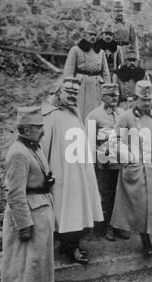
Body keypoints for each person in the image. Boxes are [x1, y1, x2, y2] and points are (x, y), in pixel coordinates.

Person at [110, 80, 152, 258]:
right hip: (138, 168)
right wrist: (128, 157)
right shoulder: (126, 117)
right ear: (136, 99)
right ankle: (146, 242)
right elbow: (114, 141)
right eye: (143, 100)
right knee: (142, 209)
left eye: (149, 100)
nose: (146, 103)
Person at [41, 77, 104, 264]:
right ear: (58, 92)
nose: (72, 96)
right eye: (69, 91)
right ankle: (69, 247)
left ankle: (72, 244)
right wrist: (46, 173)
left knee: (79, 210)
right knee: (66, 211)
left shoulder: (74, 114)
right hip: (62, 173)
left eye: (75, 92)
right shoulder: (50, 115)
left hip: (80, 172)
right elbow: (44, 148)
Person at [1, 106, 55, 282]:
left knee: (38, 267)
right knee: (24, 267)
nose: (43, 132)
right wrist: (24, 225)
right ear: (27, 129)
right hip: (29, 218)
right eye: (39, 127)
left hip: (40, 211)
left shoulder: (33, 147)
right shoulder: (18, 153)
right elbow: (15, 193)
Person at [85, 83, 129, 241]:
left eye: (116, 95)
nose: (115, 98)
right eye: (111, 95)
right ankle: (107, 226)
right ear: (103, 97)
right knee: (107, 193)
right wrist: (94, 160)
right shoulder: (94, 115)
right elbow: (90, 141)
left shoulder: (123, 113)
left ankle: (119, 225)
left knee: (121, 192)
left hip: (121, 158)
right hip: (104, 159)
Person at [63, 23, 110, 119]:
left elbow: (105, 73)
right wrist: (69, 90)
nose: (92, 37)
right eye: (90, 34)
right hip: (81, 85)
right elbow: (68, 72)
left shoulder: (101, 52)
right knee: (80, 111)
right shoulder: (75, 50)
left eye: (94, 35)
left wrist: (108, 89)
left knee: (96, 112)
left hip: (97, 85)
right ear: (84, 35)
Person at [113, 46, 149, 110]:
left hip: (138, 105)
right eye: (129, 60)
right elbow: (115, 94)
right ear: (125, 61)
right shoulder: (118, 75)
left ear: (137, 62)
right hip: (123, 105)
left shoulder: (143, 75)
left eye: (134, 60)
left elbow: (148, 94)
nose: (132, 63)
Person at [111, 0, 140, 66]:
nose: (120, 13)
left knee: (126, 68)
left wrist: (137, 57)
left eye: (121, 11)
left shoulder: (129, 25)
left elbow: (134, 42)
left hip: (125, 50)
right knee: (113, 68)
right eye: (117, 11)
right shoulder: (109, 24)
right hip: (113, 50)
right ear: (113, 11)